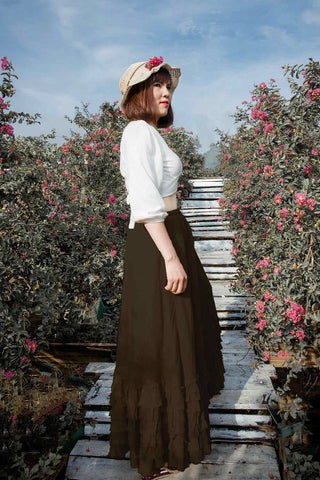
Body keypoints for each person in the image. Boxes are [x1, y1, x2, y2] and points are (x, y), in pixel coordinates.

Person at [107, 57, 225, 480]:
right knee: (158, 340)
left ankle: (166, 440)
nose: (165, 92)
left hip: (170, 232)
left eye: (167, 86)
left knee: (175, 334)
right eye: (156, 86)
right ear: (137, 94)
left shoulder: (153, 134)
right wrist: (171, 257)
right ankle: (152, 450)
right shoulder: (137, 132)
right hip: (156, 241)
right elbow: (143, 200)